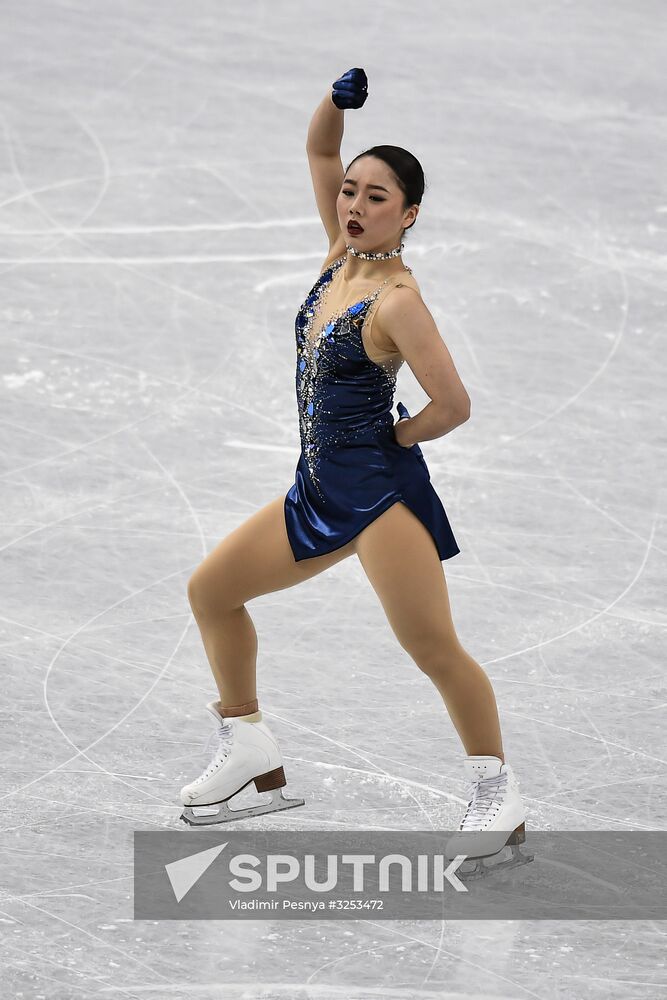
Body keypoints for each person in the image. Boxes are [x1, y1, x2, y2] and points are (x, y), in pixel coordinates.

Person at [180, 69, 530, 877]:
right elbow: (317, 146)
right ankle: (246, 738)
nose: (353, 205)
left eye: (376, 198)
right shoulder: (338, 256)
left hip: (378, 500)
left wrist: (392, 443)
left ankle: (496, 790)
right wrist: (336, 105)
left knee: (431, 646)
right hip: (315, 490)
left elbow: (453, 404)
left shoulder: (397, 300)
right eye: (350, 192)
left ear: (407, 215)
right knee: (211, 591)